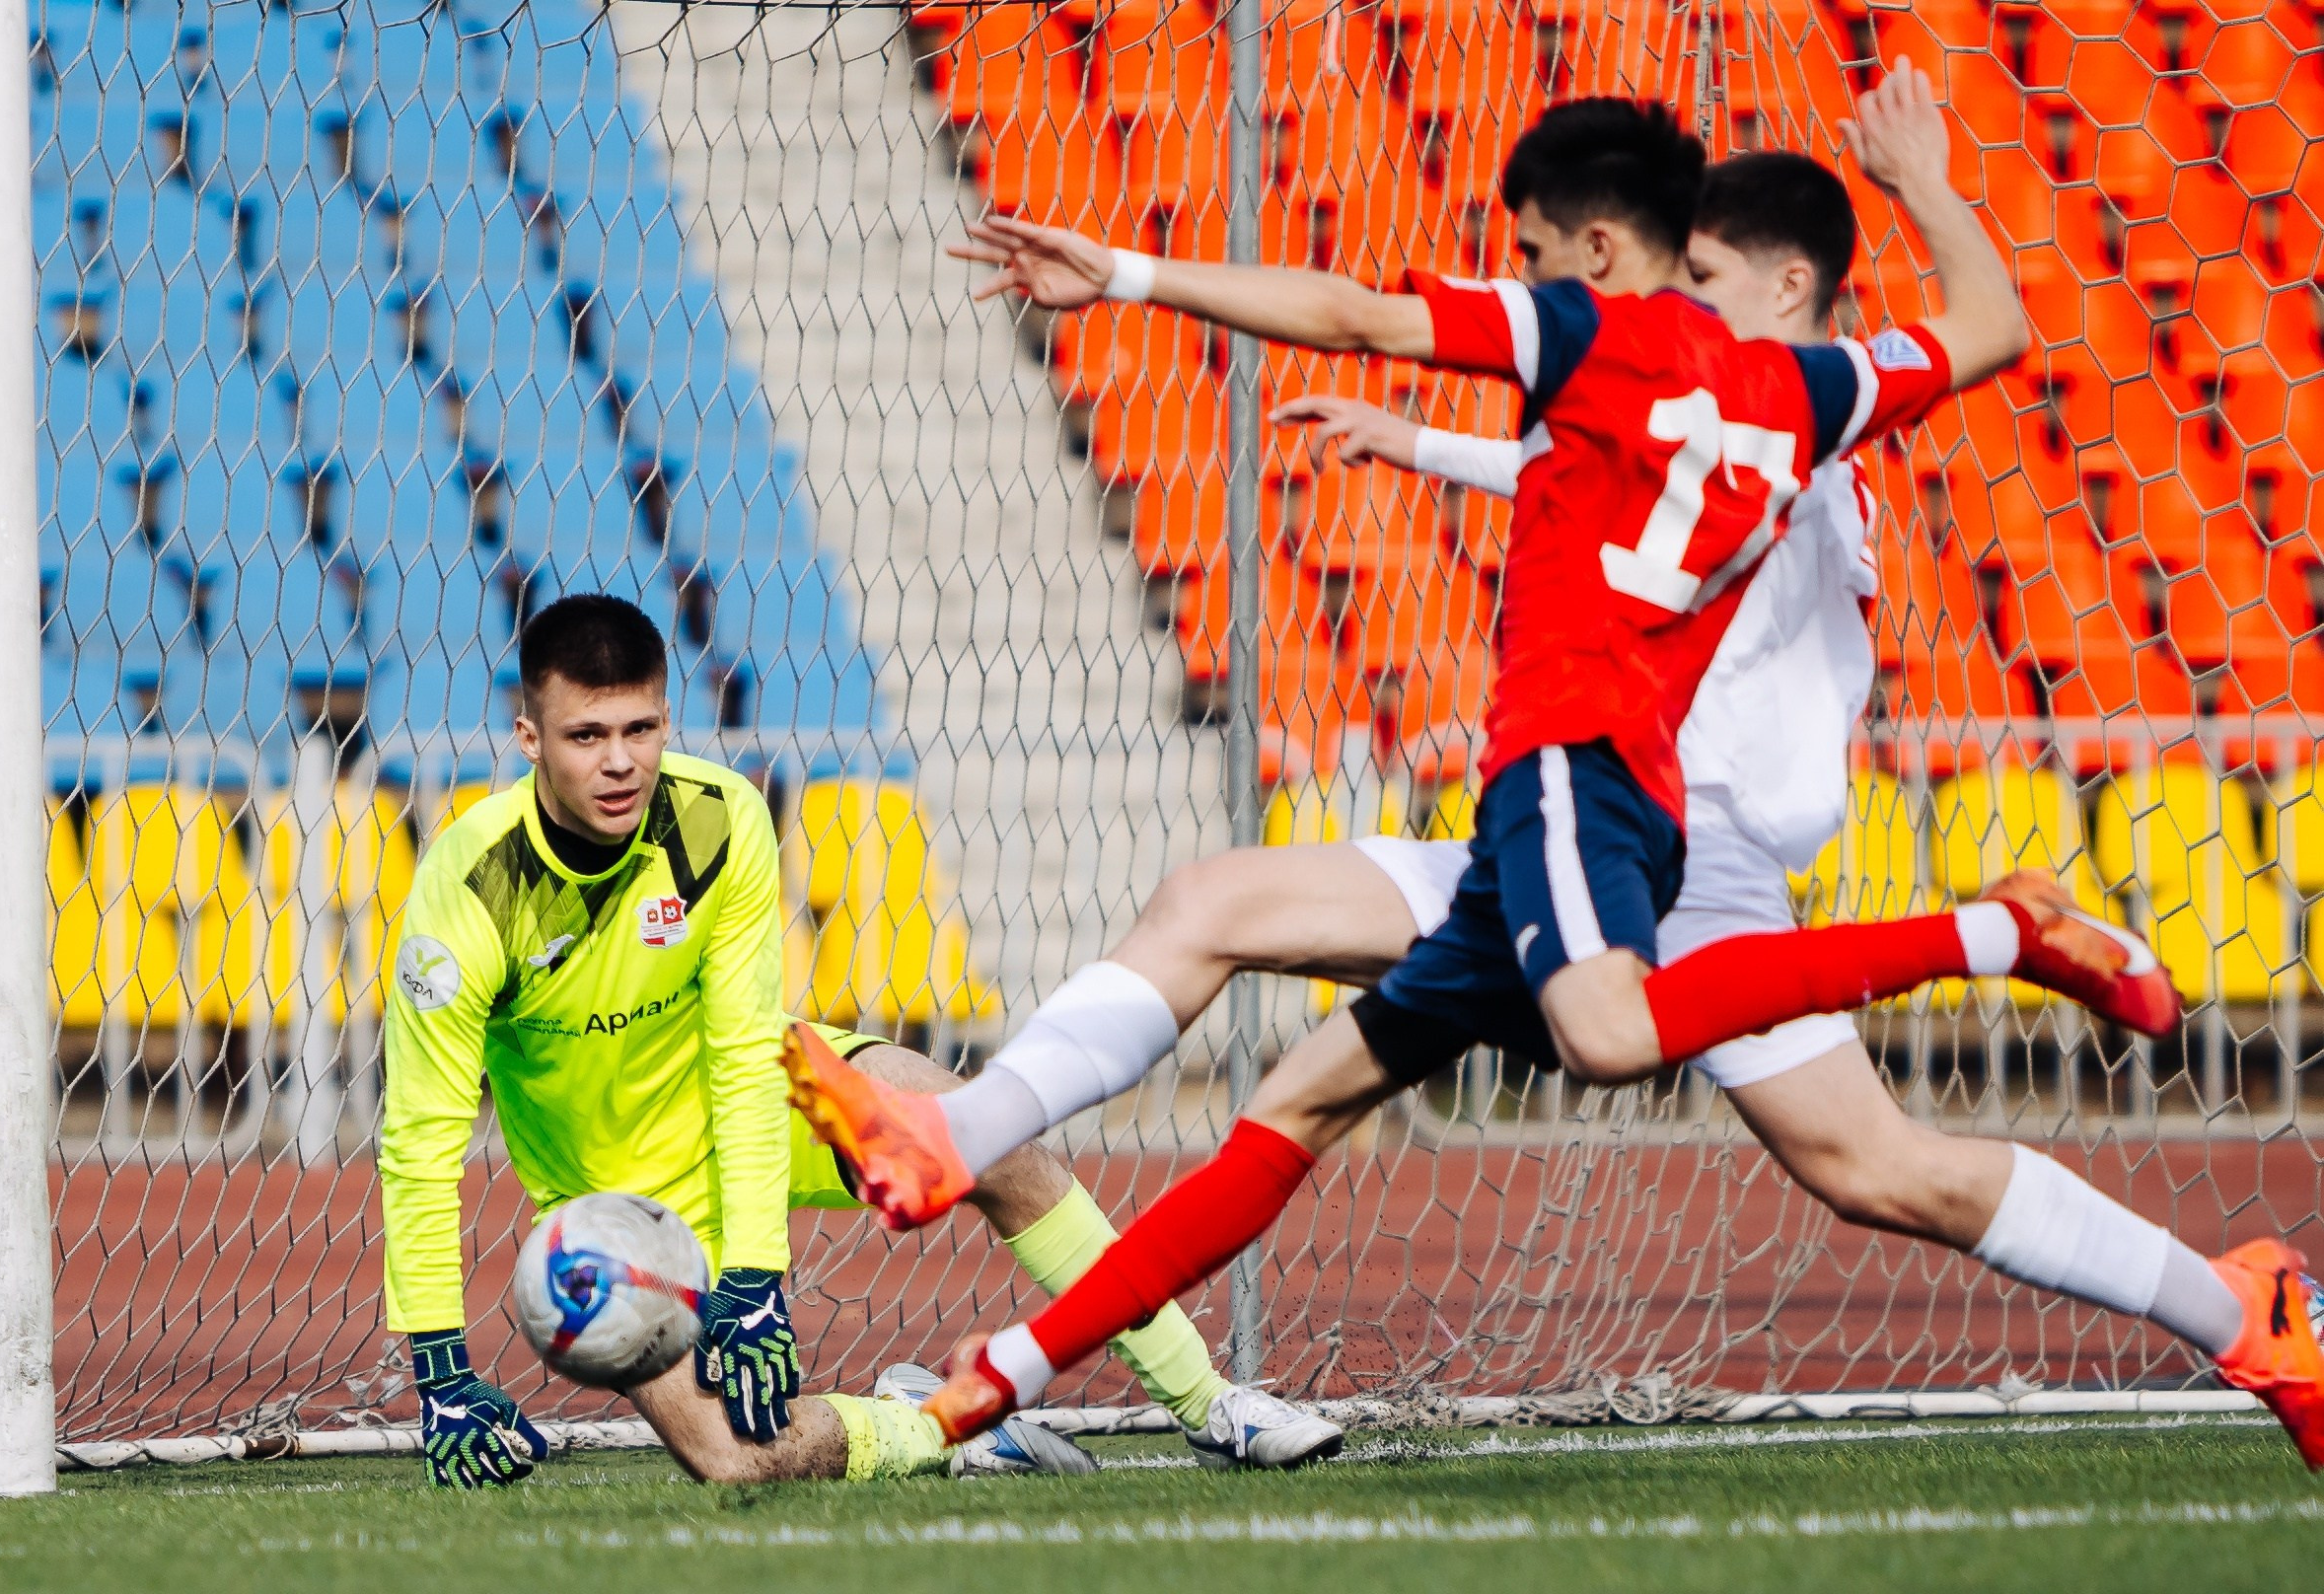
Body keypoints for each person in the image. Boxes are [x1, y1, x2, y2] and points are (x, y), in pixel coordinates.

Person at [795, 76, 2324, 1469]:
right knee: (1248, 967)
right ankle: (988, 1353)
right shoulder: (1808, 400)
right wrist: (1423, 446)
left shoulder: (1762, 410)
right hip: (1570, 836)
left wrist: (1134, 276)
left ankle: (2004, 941)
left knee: (1819, 1140)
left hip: (1660, 841)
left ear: (1768, 284)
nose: (1691, 297)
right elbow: (1738, 425)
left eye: (1716, 277)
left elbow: (1390, 323)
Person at [377, 593, 1341, 1488]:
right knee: (733, 1459)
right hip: (614, 1203)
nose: (619, 760)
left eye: (640, 728)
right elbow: (420, 1145)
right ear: (528, 737)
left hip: (761, 1091)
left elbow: (747, 1056)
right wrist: (441, 1373)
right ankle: (940, 1423)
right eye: (586, 735)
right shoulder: (467, 892)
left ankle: (1210, 1400)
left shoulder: (718, 820)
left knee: (989, 1136)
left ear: (668, 721)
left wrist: (756, 1281)